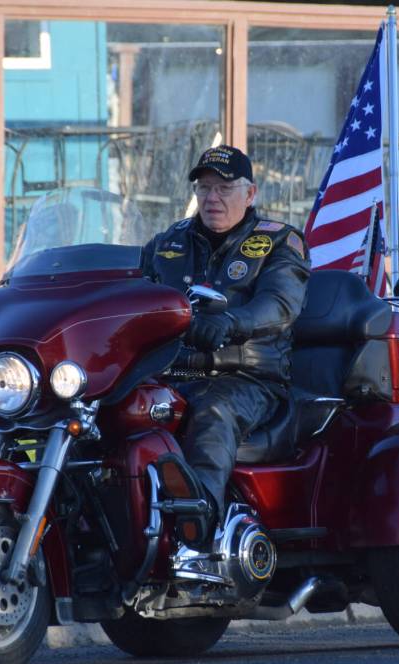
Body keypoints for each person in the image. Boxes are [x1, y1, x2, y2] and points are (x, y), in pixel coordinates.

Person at [141, 145, 310, 548]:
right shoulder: (167, 244)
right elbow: (134, 297)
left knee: (212, 413)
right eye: (204, 188)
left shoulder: (279, 242)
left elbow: (281, 304)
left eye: (223, 188)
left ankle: (198, 533)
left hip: (248, 379)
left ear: (249, 194)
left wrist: (232, 322)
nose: (212, 198)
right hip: (173, 372)